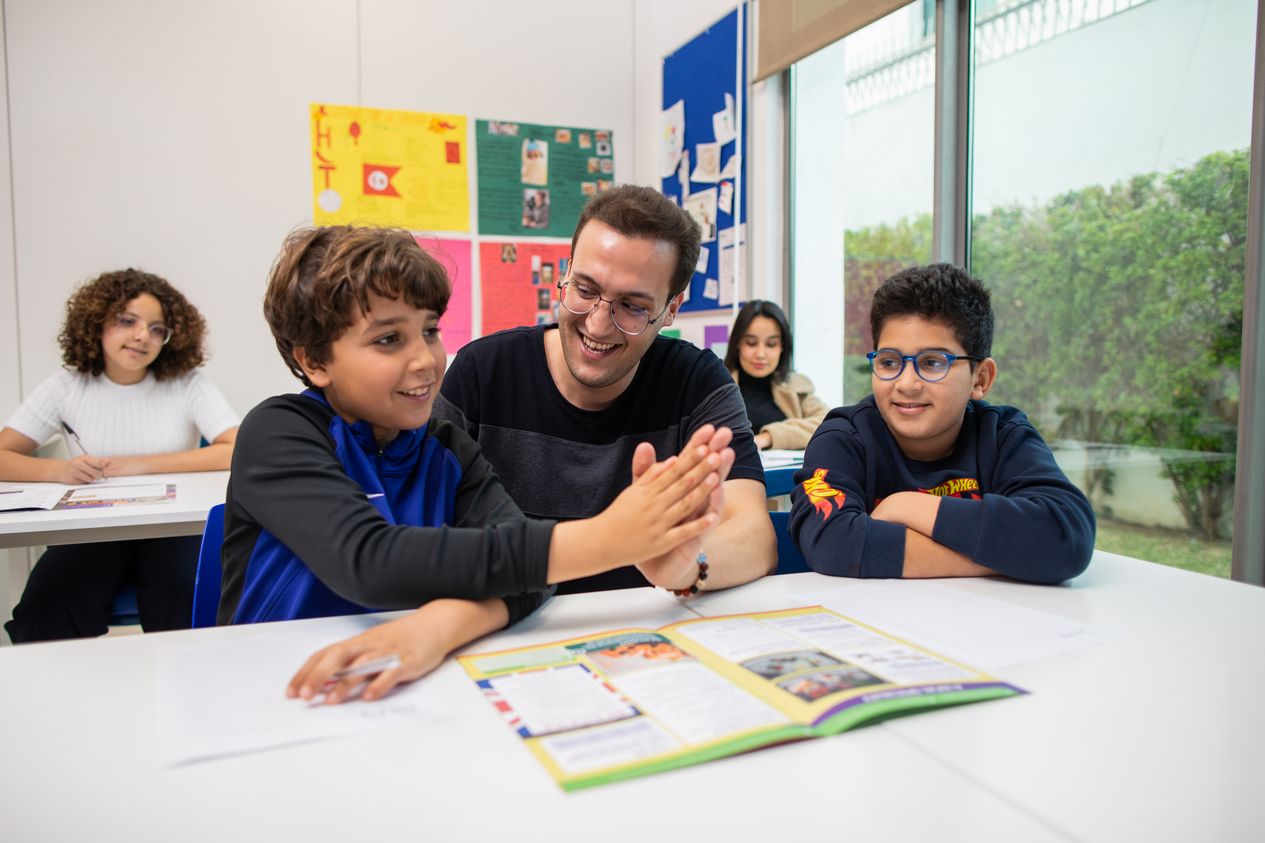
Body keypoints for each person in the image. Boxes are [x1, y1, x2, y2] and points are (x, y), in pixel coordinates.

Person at [219, 225, 732, 703]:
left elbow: (531, 580)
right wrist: (611, 537)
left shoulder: (446, 449)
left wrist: (436, 628)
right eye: (387, 339)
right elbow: (367, 559)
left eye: (430, 331)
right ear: (314, 360)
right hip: (278, 694)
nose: (424, 359)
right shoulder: (279, 431)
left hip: (399, 694)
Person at [435, 184, 776, 594]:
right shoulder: (481, 373)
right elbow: (430, 542)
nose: (597, 325)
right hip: (505, 628)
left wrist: (687, 568)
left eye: (633, 306)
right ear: (565, 273)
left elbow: (755, 535)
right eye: (584, 289)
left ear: (671, 309)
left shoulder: (697, 382)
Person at [789, 263, 1094, 584]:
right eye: (889, 362)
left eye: (933, 363)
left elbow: (1066, 538)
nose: (906, 383)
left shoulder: (1003, 434)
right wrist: (1006, 558)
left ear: (981, 378)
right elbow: (833, 543)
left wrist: (906, 505)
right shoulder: (844, 437)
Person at [1, 269, 239, 642]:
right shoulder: (67, 385)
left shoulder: (186, 383)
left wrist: (140, 466)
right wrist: (60, 470)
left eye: (157, 328)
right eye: (128, 320)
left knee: (188, 603)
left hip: (170, 528)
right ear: (96, 321)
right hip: (93, 531)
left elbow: (235, 447)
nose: (143, 335)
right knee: (43, 613)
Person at [724, 299, 828, 450]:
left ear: (782, 347)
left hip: (785, 473)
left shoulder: (795, 385)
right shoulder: (717, 383)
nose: (760, 354)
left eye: (771, 344)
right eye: (751, 343)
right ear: (738, 344)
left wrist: (768, 437)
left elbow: (828, 421)